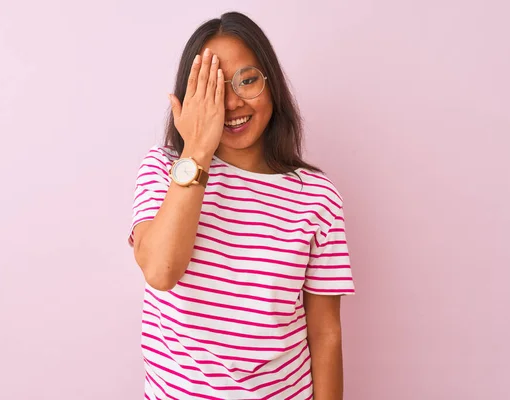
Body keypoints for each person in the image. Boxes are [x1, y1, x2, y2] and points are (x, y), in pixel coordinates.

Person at [128, 11, 355, 400]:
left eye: (246, 80)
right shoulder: (166, 168)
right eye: (213, 89)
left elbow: (325, 333)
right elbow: (162, 270)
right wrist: (197, 150)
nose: (232, 103)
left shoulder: (317, 196)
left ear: (271, 83)